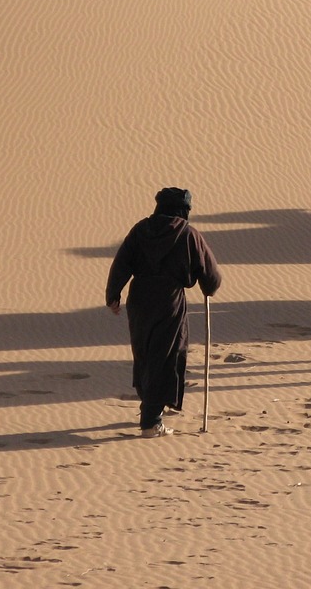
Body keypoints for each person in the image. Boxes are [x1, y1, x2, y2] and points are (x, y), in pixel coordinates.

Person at [106, 187, 222, 438]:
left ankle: (149, 408)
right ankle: (150, 421)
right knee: (166, 356)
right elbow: (210, 273)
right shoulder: (188, 234)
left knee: (145, 352)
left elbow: (122, 262)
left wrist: (113, 294)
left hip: (139, 300)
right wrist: (209, 287)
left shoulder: (140, 230)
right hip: (168, 301)